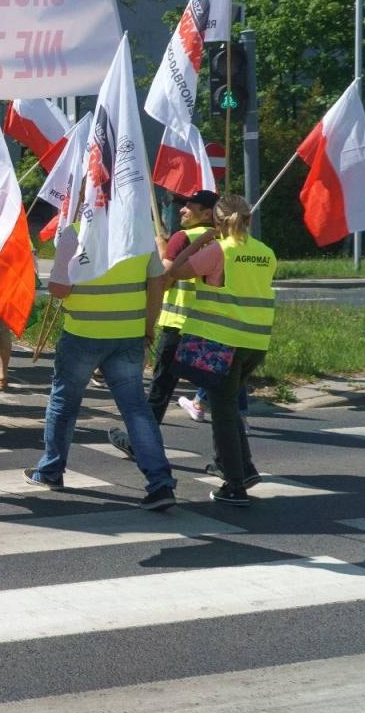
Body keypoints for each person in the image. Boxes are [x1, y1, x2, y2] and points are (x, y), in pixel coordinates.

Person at [25, 222, 178, 512]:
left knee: (64, 403)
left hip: (83, 333)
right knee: (136, 409)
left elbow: (58, 289)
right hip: (128, 333)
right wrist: (148, 326)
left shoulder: (75, 232)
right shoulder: (138, 231)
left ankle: (50, 471)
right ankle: (160, 482)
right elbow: (157, 282)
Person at [161, 193, 277, 506]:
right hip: (254, 342)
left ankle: (235, 485)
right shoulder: (266, 252)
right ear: (249, 220)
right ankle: (242, 469)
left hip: (221, 341)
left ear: (217, 221)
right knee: (227, 407)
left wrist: (201, 242)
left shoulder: (218, 250)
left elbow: (175, 271)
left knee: (223, 414)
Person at [110, 189, 217, 456]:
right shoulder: (227, 239)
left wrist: (161, 248)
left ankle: (139, 444)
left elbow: (164, 279)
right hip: (215, 327)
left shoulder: (183, 238)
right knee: (220, 395)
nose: (182, 210)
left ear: (207, 213)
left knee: (160, 389)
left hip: (180, 325)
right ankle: (233, 462)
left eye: (189, 206)